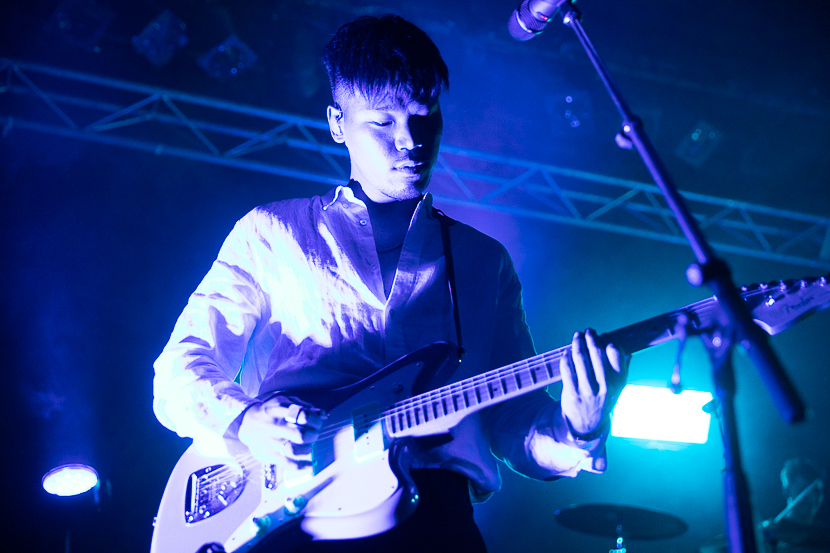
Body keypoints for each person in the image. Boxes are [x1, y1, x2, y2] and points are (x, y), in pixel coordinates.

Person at [153, 14, 627, 552]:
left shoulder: (483, 261)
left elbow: (511, 423)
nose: (411, 140)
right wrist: (245, 420)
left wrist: (578, 429)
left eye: (426, 117)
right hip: (298, 516)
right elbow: (179, 370)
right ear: (337, 123)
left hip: (437, 522)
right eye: (383, 122)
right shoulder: (272, 233)